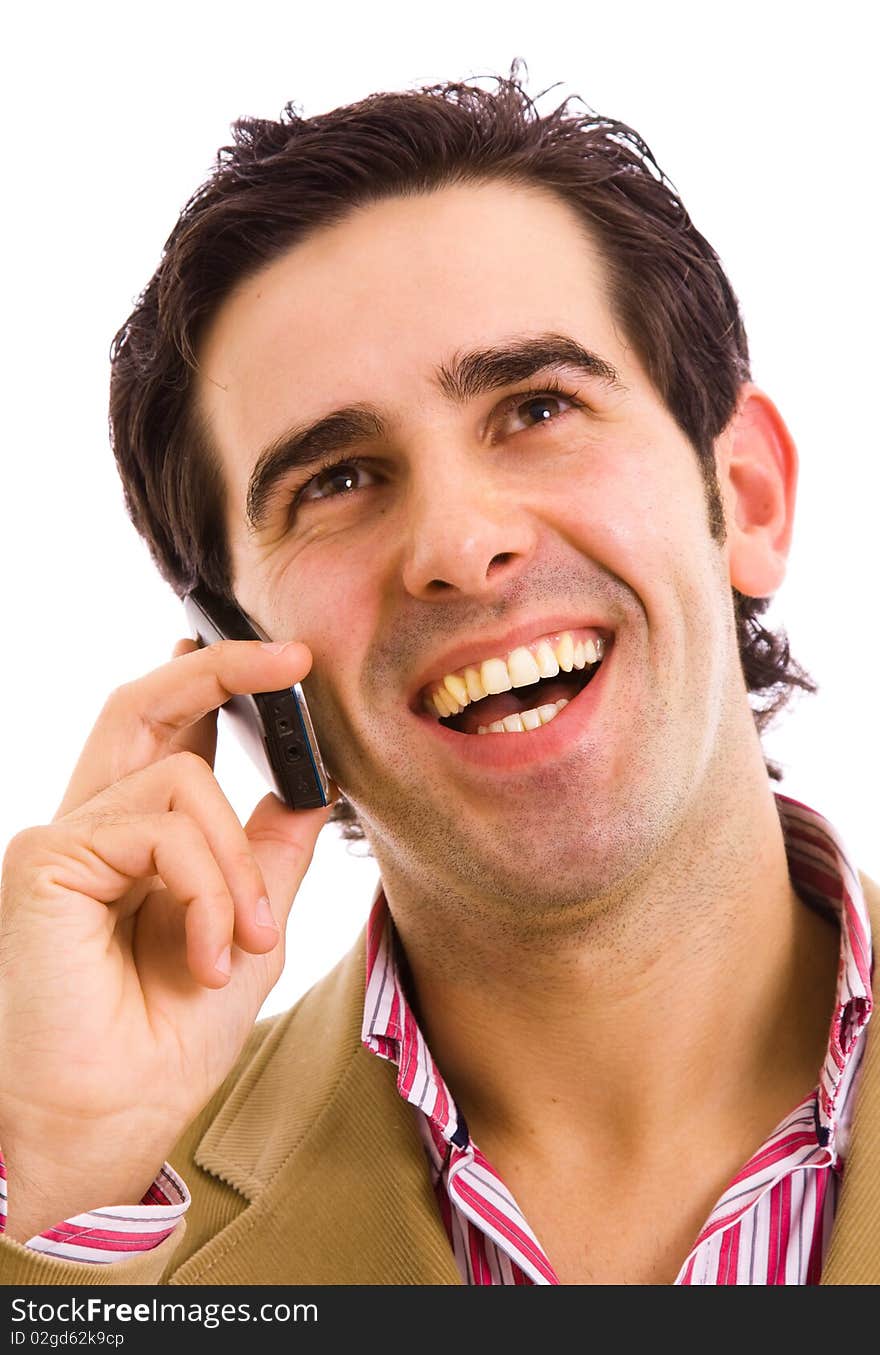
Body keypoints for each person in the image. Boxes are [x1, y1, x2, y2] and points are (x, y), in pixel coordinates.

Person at [0, 64, 876, 1287]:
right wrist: (63, 1189)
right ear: (243, 679)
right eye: (338, 480)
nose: (462, 547)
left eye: (535, 406)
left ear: (745, 496)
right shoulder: (103, 1221)